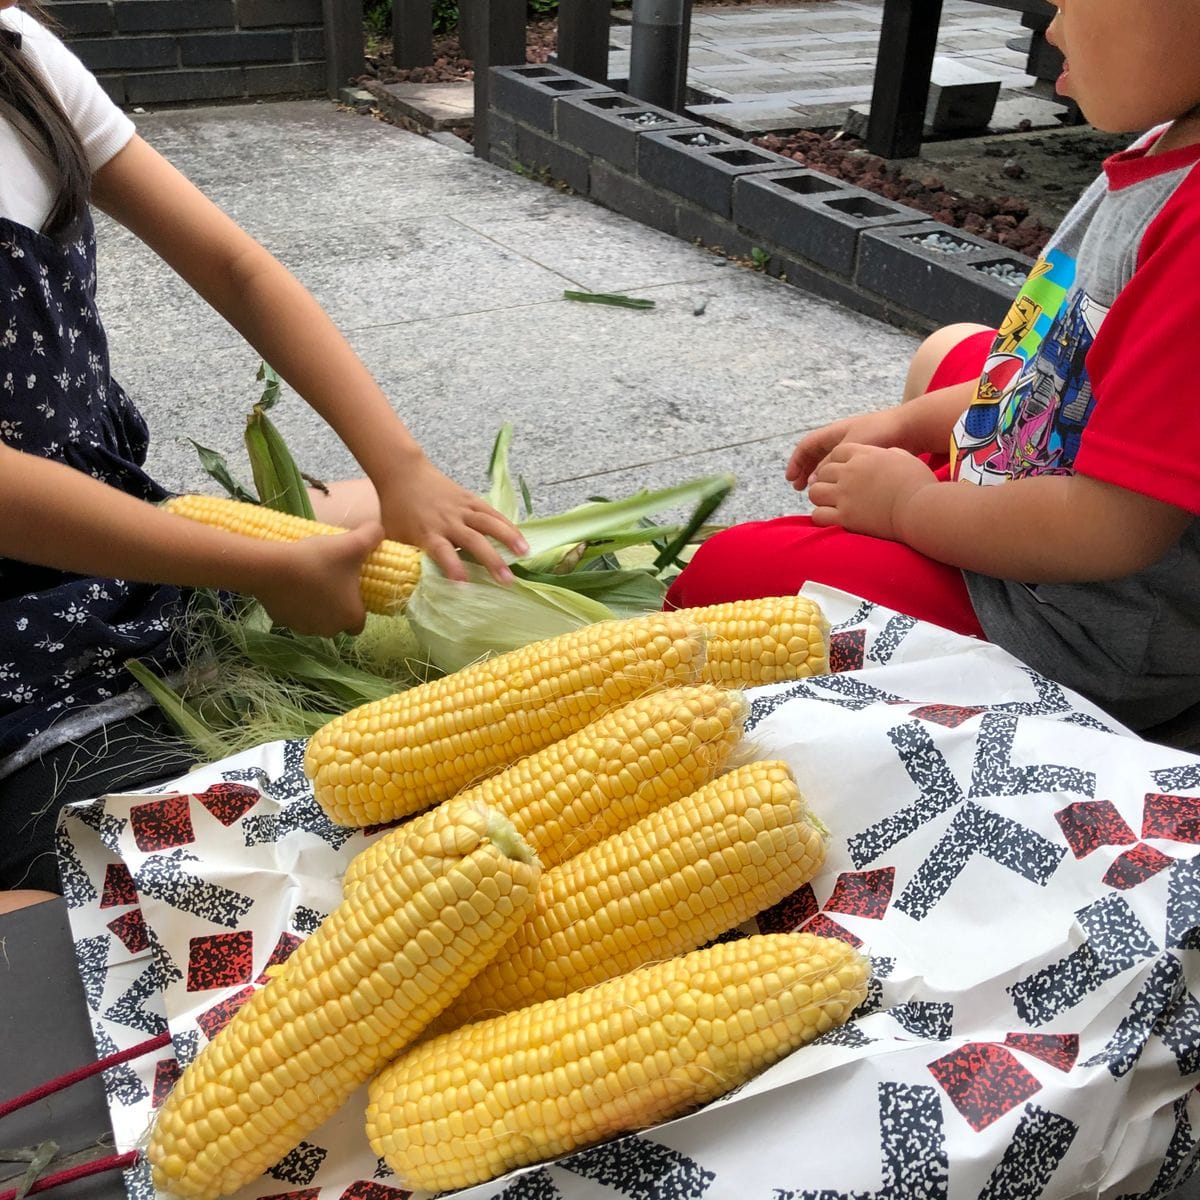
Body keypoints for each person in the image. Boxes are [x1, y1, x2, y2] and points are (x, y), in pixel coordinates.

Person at [0, 3, 528, 904]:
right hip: (21, 635)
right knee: (225, 883)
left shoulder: (21, 58)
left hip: (115, 527)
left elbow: (234, 265)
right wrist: (257, 568)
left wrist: (401, 466)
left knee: (383, 510)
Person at [667, 0, 1200, 742]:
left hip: (1081, 628)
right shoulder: (1164, 147)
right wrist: (904, 425)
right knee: (947, 349)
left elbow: (1113, 529)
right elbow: (1041, 365)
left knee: (725, 577)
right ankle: (939, 510)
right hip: (1050, 495)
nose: (1049, 29)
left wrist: (908, 511)